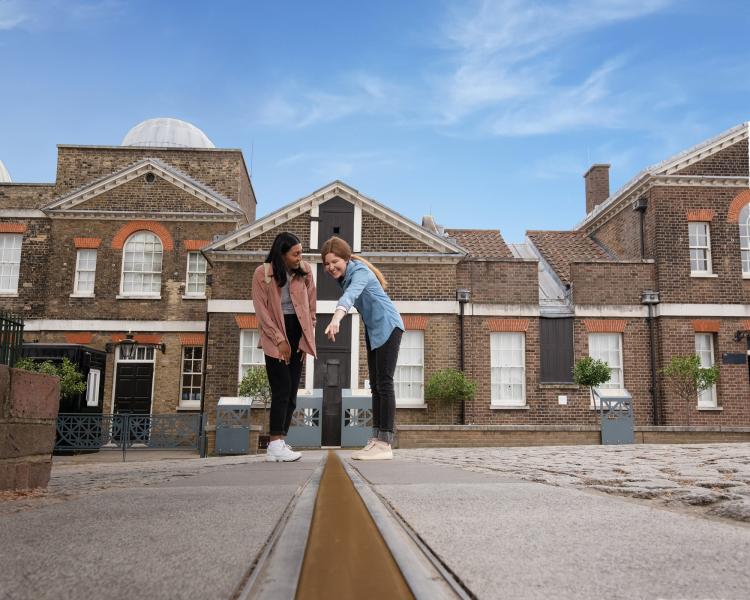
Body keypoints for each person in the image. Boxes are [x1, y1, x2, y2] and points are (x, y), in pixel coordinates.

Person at [321, 236, 403, 460]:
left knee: (384, 384)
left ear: (346, 258)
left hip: (388, 325)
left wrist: (337, 318)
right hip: (374, 330)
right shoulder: (344, 276)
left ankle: (385, 443)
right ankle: (377, 439)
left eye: (335, 261)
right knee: (376, 385)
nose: (330, 267)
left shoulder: (359, 273)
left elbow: (350, 296)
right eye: (326, 263)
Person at [252, 232, 316, 462]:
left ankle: (280, 442)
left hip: (298, 333)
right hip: (274, 334)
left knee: (291, 394)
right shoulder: (263, 274)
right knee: (281, 388)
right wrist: (279, 339)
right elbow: (262, 312)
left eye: (301, 253)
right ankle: (274, 443)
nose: (300, 257)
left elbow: (311, 309)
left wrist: (305, 340)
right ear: (281, 254)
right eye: (295, 254)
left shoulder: (305, 271)